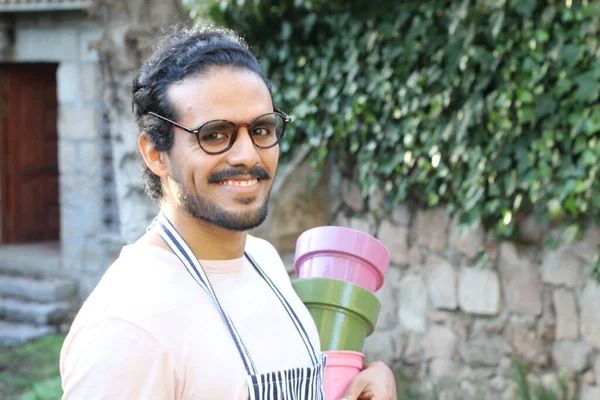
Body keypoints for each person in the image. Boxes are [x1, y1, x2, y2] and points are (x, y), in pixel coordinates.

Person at [60, 24, 397, 400]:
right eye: (215, 134)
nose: (248, 155)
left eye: (262, 129)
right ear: (155, 153)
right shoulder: (127, 325)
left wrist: (366, 383)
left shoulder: (264, 262)